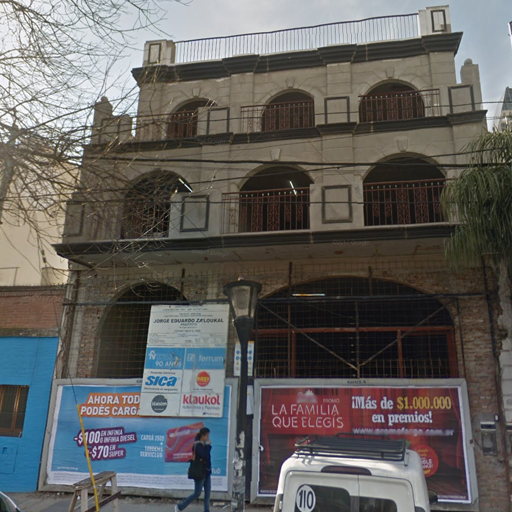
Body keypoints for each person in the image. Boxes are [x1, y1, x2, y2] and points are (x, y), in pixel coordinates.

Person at [176, 427, 212, 512]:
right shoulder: (198, 445)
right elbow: (204, 455)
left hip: (206, 471)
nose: (208, 437)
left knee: (207, 492)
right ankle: (180, 507)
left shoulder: (204, 445)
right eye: (207, 435)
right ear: (202, 436)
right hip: (200, 472)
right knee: (197, 493)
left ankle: (206, 510)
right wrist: (208, 446)